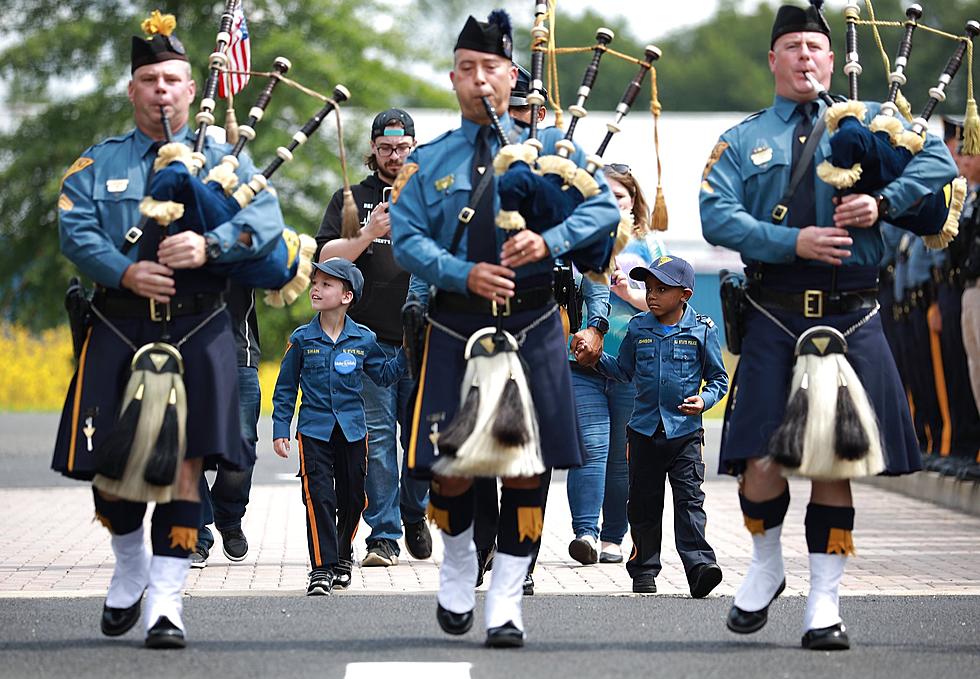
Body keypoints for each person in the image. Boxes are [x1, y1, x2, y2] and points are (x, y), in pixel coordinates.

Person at [699, 1, 957, 651]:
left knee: (832, 460)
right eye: (792, 47)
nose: (805, 56)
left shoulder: (873, 122)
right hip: (773, 310)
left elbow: (942, 168)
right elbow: (715, 218)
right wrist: (793, 242)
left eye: (815, 46)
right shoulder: (741, 139)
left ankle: (825, 600)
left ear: (832, 57)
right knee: (759, 460)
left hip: (853, 308)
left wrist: (883, 202)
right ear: (773, 60)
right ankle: (764, 564)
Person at [51, 12, 285, 648]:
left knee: (186, 467)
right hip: (120, 324)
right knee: (113, 469)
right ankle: (129, 564)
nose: (161, 90)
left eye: (172, 79)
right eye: (149, 79)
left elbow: (265, 232)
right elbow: (76, 230)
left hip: (197, 326)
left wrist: (209, 247)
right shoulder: (98, 164)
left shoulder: (230, 163)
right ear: (134, 91)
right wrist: (126, 274)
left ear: (191, 90)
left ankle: (166, 598)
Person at [389, 10, 619, 647]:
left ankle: (508, 596)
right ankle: (460, 562)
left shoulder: (552, 154)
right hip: (456, 322)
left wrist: (550, 241)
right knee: (453, 466)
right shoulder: (430, 160)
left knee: (528, 467)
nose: (480, 80)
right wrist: (462, 273)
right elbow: (405, 241)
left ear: (511, 74)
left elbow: (604, 209)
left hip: (536, 320)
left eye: (491, 69)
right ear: (454, 80)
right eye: (468, 70)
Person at [315, 108, 431, 568]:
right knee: (379, 441)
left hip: (423, 341)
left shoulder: (430, 196)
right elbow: (326, 256)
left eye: (403, 148)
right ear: (373, 150)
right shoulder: (351, 198)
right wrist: (367, 234)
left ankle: (414, 509)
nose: (394, 156)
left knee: (426, 438)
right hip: (369, 342)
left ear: (414, 148)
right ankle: (383, 535)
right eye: (386, 148)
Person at [576, 255, 727, 596]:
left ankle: (700, 566)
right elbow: (623, 370)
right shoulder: (639, 328)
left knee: (690, 501)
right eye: (648, 288)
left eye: (662, 289)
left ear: (684, 294)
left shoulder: (702, 330)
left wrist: (704, 400)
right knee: (644, 505)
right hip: (643, 432)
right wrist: (596, 358)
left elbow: (719, 378)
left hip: (685, 434)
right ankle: (644, 570)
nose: (652, 295)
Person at [272, 258, 406, 594]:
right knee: (318, 497)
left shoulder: (365, 339)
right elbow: (286, 388)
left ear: (347, 296)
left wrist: (410, 349)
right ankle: (321, 568)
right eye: (314, 283)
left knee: (351, 500)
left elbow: (386, 375)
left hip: (353, 432)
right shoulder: (302, 339)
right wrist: (280, 429)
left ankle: (343, 556)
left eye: (325, 285)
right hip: (314, 431)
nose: (315, 289)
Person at [566, 164, 667, 567]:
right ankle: (584, 533)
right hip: (581, 360)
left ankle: (613, 536)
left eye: (620, 197)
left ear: (633, 202)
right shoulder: (575, 241)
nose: (612, 204)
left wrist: (630, 291)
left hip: (632, 364)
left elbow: (670, 303)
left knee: (622, 456)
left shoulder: (650, 245)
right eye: (603, 195)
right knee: (590, 447)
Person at [191, 284, 261, 567]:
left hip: (237, 353)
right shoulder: (172, 240)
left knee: (241, 448)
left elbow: (276, 273)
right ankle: (195, 532)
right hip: (183, 353)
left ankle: (229, 515)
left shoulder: (243, 239)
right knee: (186, 448)